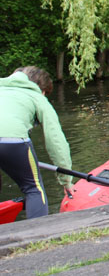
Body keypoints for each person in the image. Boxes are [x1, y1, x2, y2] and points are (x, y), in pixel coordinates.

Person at [0, 66, 73, 219]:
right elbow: (56, 141)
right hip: (12, 141)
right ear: (42, 89)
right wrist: (66, 180)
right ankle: (38, 237)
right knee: (33, 189)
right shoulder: (36, 96)